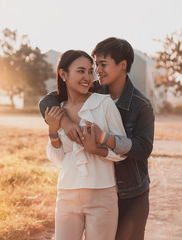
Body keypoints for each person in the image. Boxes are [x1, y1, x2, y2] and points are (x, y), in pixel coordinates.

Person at [39, 37, 154, 240]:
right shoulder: (91, 89)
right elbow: (48, 100)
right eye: (95, 65)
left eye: (102, 65)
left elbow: (142, 148)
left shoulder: (139, 104)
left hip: (130, 191)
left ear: (122, 65)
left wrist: (101, 141)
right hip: (84, 187)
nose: (96, 72)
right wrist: (65, 124)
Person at [45, 49, 127, 240]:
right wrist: (52, 131)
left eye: (90, 71)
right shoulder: (58, 111)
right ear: (63, 74)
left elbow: (122, 149)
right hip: (67, 193)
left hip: (102, 193)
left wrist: (96, 148)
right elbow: (61, 161)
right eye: (80, 71)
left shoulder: (104, 104)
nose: (88, 77)